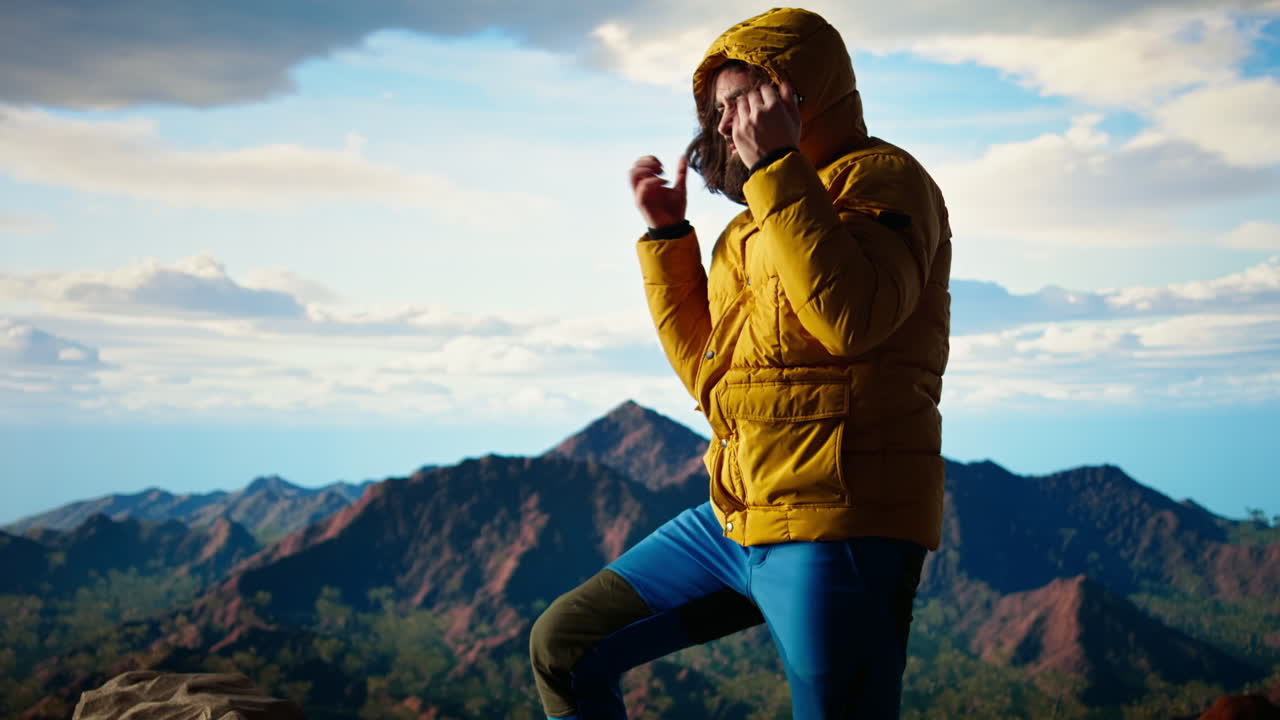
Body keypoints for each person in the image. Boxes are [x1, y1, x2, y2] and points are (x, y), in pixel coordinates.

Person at [530, 7, 951, 719]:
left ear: (798, 97)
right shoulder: (749, 227)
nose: (726, 125)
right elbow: (709, 376)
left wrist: (780, 167)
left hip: (838, 526)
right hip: (738, 519)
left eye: (741, 103)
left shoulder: (885, 179)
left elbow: (852, 319)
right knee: (565, 644)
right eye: (718, 109)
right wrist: (669, 238)